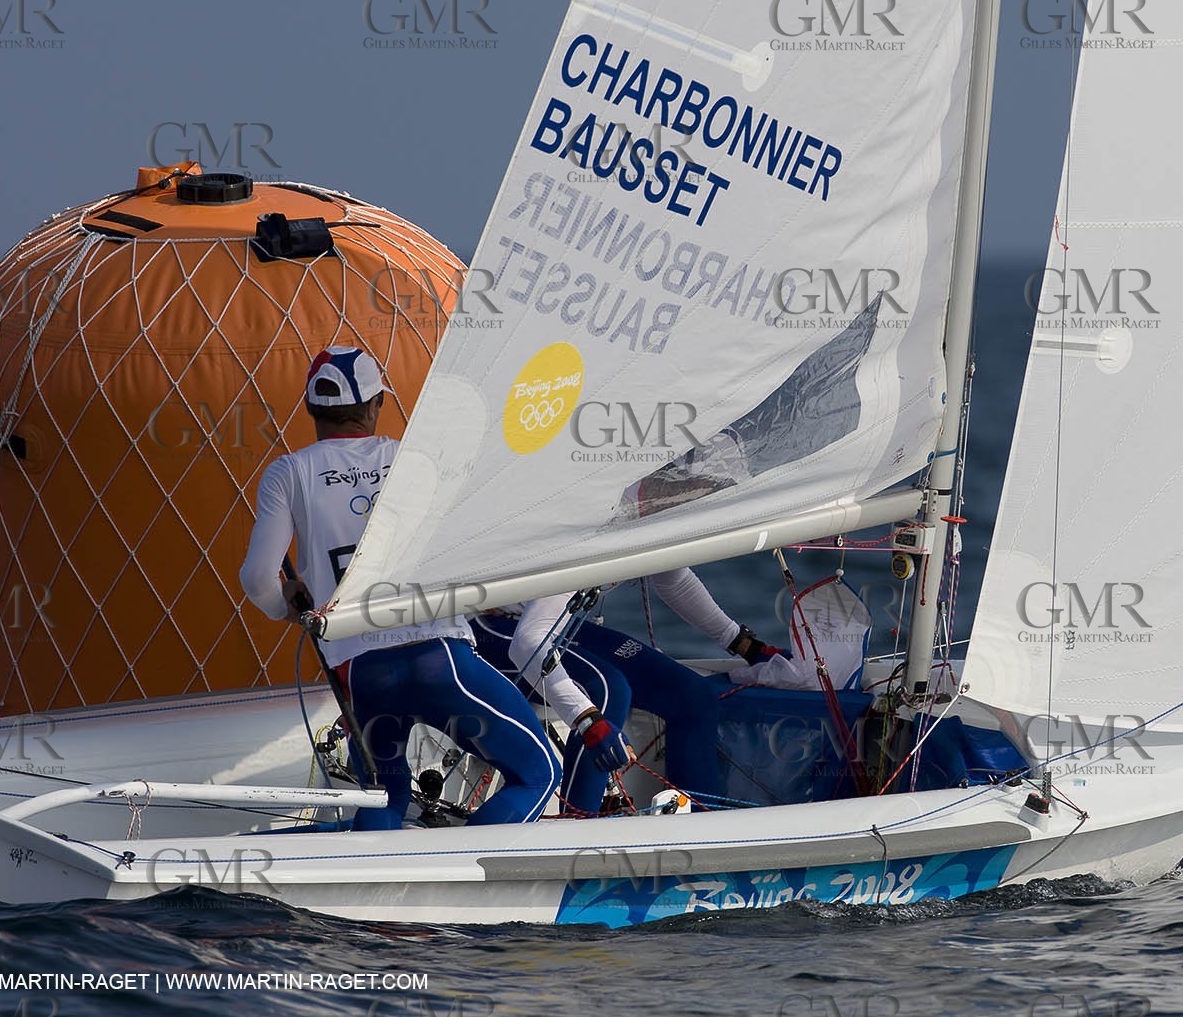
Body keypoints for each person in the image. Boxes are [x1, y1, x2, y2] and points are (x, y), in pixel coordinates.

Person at [239, 346, 564, 829]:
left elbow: (257, 578)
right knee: (539, 772)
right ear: (376, 405)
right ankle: (466, 880)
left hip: (364, 675)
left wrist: (285, 609)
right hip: (438, 662)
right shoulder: (415, 462)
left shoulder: (287, 472)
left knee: (386, 800)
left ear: (310, 409)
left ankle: (367, 896)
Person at [473, 567, 789, 810]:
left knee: (694, 697)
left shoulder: (655, 510)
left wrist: (742, 644)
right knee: (609, 691)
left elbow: (673, 578)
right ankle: (578, 825)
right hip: (491, 627)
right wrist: (587, 720)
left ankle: (698, 825)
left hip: (555, 624)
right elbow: (527, 643)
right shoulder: (595, 522)